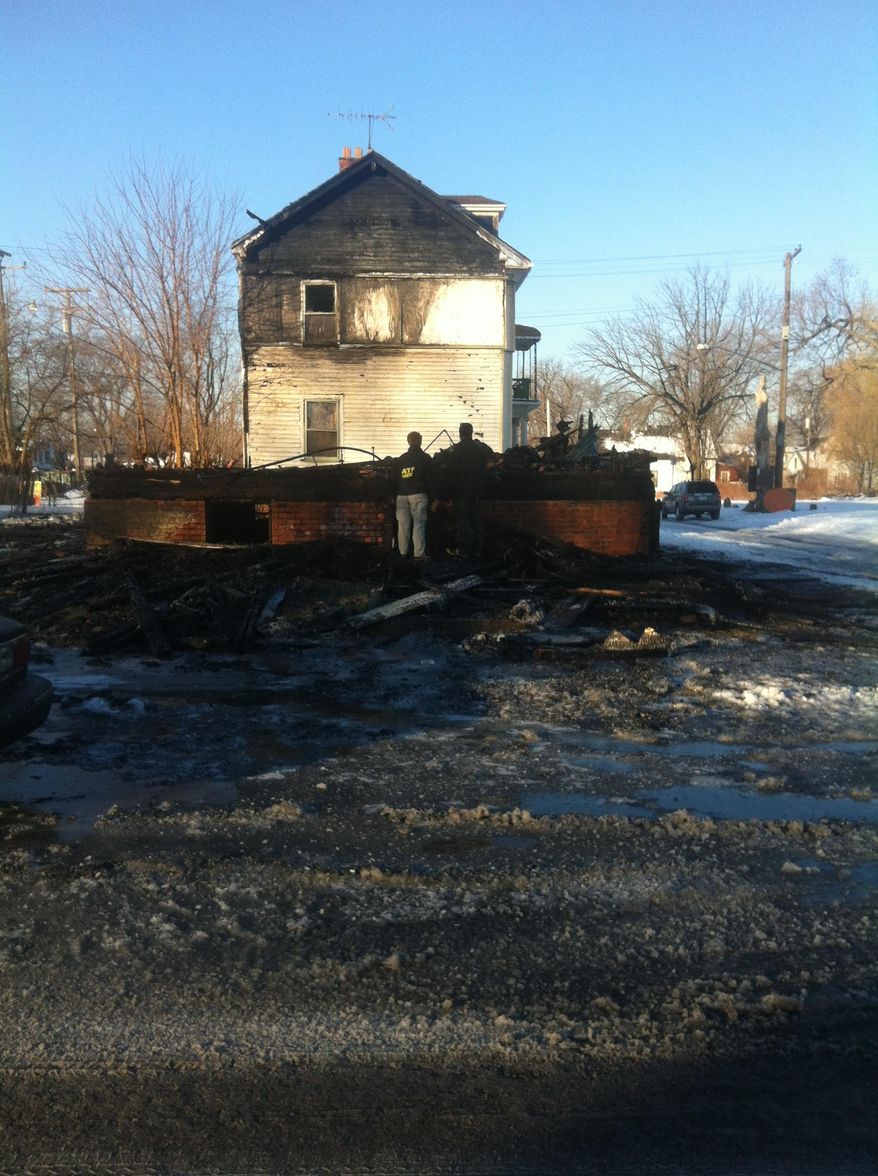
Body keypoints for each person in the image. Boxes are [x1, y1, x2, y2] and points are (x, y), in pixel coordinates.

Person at [447, 422, 493, 558]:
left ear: (461, 433)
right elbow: (484, 469)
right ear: (471, 432)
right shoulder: (479, 449)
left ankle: (463, 551)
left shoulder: (456, 450)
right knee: (475, 520)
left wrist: (447, 493)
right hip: (476, 491)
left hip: (461, 492)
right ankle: (477, 550)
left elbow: (451, 472)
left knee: (463, 523)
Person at [394, 431, 433, 560]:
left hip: (401, 495)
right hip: (419, 494)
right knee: (419, 524)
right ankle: (419, 554)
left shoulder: (401, 459)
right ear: (420, 440)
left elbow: (394, 479)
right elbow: (431, 478)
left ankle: (403, 553)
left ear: (408, 441)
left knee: (403, 525)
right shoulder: (425, 458)